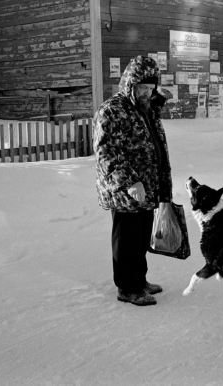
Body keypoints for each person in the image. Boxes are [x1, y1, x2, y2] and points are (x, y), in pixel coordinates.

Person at [93, 56, 173, 306]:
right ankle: (127, 288)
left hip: (147, 187)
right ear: (130, 84)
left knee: (141, 239)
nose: (148, 94)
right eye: (143, 88)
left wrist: (160, 99)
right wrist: (129, 182)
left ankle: (140, 280)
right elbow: (106, 152)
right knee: (127, 240)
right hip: (125, 190)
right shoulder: (112, 111)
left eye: (151, 89)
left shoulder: (144, 108)